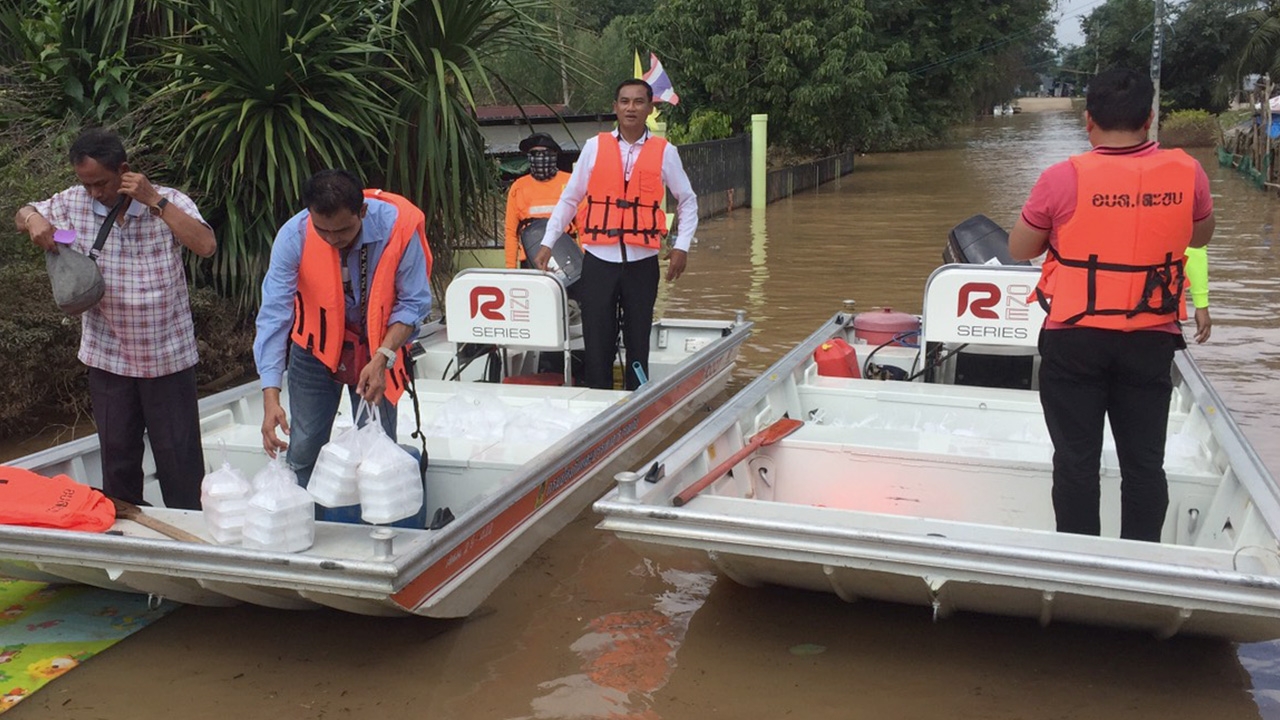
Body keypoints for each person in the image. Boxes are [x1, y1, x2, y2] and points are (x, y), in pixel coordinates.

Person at [1009, 68, 1215, 542]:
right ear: (1149, 120)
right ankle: (1140, 563)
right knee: (1144, 463)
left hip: (1075, 337)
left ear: (1088, 121)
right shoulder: (1189, 172)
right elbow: (1199, 235)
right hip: (1150, 339)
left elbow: (1021, 248)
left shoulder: (1062, 178)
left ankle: (1081, 563)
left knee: (1076, 461)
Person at [15, 128, 216, 510]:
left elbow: (206, 245)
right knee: (118, 461)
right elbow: (21, 213)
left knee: (180, 462)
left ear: (124, 170)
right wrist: (32, 218)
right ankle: (126, 546)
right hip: (108, 358)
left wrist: (153, 201)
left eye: (101, 183)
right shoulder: (73, 202)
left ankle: (188, 543)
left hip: (168, 359)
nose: (93, 192)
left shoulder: (170, 201)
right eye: (86, 183)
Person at [254, 170, 432, 497]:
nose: (334, 239)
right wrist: (271, 396)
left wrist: (383, 358)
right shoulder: (294, 236)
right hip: (315, 350)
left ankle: (378, 532)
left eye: (343, 230)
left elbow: (414, 302)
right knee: (305, 443)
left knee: (376, 447)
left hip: (380, 350)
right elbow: (274, 315)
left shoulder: (399, 228)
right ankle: (301, 518)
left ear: (362, 212)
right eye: (323, 230)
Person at [534, 79, 697, 390]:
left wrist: (682, 246)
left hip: (642, 263)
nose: (631, 107)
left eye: (638, 102)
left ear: (650, 108)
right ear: (615, 107)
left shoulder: (665, 152)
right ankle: (599, 403)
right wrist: (547, 242)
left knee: (638, 341)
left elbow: (688, 200)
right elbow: (570, 198)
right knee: (598, 341)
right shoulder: (595, 147)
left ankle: (637, 401)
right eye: (624, 101)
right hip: (599, 261)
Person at [505, 132, 574, 269]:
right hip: (530, 259)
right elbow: (511, 233)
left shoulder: (570, 182)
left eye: (545, 152)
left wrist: (584, 262)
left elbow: (584, 226)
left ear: (554, 154)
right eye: (535, 153)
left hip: (567, 258)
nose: (540, 157)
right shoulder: (519, 187)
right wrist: (510, 270)